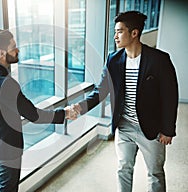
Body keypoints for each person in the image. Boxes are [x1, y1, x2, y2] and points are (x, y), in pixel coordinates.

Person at [72, 11, 178, 192]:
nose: (115, 36)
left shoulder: (159, 59)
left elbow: (170, 96)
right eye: (115, 31)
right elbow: (101, 91)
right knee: (123, 169)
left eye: (120, 31)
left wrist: (168, 129)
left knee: (155, 173)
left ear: (134, 33)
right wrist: (80, 107)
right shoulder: (113, 60)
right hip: (125, 126)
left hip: (152, 129)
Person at [0, 29, 77, 192]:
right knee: (8, 188)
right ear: (2, 53)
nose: (18, 50)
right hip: (8, 147)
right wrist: (65, 113)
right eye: (14, 47)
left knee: (5, 184)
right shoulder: (4, 83)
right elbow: (35, 115)